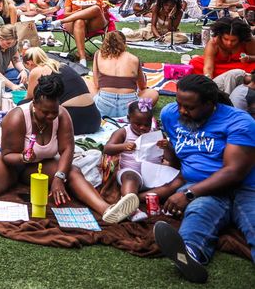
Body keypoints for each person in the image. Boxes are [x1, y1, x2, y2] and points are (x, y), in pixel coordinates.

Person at [0, 74, 139, 224]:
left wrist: (59, 177)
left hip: (38, 164)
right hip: (7, 158)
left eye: (54, 111)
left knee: (72, 172)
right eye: (45, 112)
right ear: (34, 104)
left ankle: (107, 210)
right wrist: (23, 158)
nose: (50, 116)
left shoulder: (62, 115)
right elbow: (8, 155)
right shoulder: (17, 118)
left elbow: (67, 149)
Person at [153, 75, 255, 283]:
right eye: (178, 103)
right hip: (203, 188)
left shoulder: (239, 122)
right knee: (199, 211)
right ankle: (188, 253)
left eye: (189, 107)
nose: (182, 110)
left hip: (245, 186)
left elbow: (234, 171)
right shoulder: (170, 115)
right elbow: (176, 150)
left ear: (210, 104)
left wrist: (189, 193)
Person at [104, 98, 181, 203]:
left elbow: (173, 161)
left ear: (151, 121)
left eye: (147, 125)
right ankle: (129, 200)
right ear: (128, 119)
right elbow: (107, 149)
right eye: (137, 124)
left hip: (154, 174)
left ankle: (136, 199)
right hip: (131, 171)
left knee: (179, 181)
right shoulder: (123, 132)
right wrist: (124, 146)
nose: (142, 128)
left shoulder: (156, 134)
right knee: (130, 178)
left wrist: (166, 147)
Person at [22, 47, 100, 135]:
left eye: (27, 68)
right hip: (94, 119)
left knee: (31, 108)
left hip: (72, 120)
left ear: (29, 63)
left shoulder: (36, 71)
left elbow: (29, 99)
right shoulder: (62, 65)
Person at [89, 31, 159, 118]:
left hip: (102, 107)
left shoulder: (98, 54)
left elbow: (96, 84)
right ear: (124, 43)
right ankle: (136, 112)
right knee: (153, 93)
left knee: (86, 82)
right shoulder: (134, 59)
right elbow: (142, 87)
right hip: (130, 109)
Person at [53, 0, 110, 67]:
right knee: (79, 21)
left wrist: (104, 8)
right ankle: (82, 58)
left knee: (96, 8)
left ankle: (61, 22)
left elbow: (105, 13)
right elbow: (66, 14)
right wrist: (81, 10)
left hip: (95, 23)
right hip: (75, 25)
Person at [188, 17, 255, 78]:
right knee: (194, 62)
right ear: (220, 35)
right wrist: (208, 80)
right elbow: (208, 67)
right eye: (226, 39)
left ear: (240, 38)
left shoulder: (247, 40)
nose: (229, 43)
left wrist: (249, 58)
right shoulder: (214, 42)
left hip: (240, 67)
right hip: (218, 67)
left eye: (233, 40)